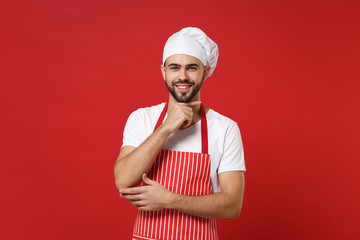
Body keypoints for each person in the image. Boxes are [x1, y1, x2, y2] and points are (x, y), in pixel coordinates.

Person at [114, 27, 246, 240]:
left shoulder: (225, 128)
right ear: (163, 71)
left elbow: (232, 205)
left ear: (206, 71)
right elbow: (123, 180)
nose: (182, 76)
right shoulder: (142, 119)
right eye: (174, 67)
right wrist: (166, 128)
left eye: (191, 68)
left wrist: (170, 200)